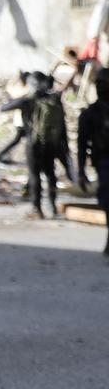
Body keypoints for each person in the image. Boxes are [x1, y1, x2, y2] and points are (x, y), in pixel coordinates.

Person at [3, 72, 67, 219]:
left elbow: (4, 107)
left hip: (33, 144)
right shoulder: (55, 100)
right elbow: (63, 127)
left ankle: (36, 208)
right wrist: (64, 147)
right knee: (51, 175)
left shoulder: (27, 101)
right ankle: (53, 207)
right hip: (51, 144)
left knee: (34, 175)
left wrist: (22, 94)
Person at [77, 69, 109, 255]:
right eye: (99, 84)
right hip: (103, 161)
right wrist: (81, 172)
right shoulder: (90, 114)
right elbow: (82, 145)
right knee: (106, 200)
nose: (101, 88)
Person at [0, 72, 32, 164]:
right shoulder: (24, 91)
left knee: (19, 140)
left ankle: (0, 155)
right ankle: (0, 155)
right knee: (24, 141)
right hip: (23, 122)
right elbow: (11, 88)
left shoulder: (21, 91)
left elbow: (9, 87)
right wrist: (17, 77)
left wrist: (17, 77)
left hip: (22, 122)